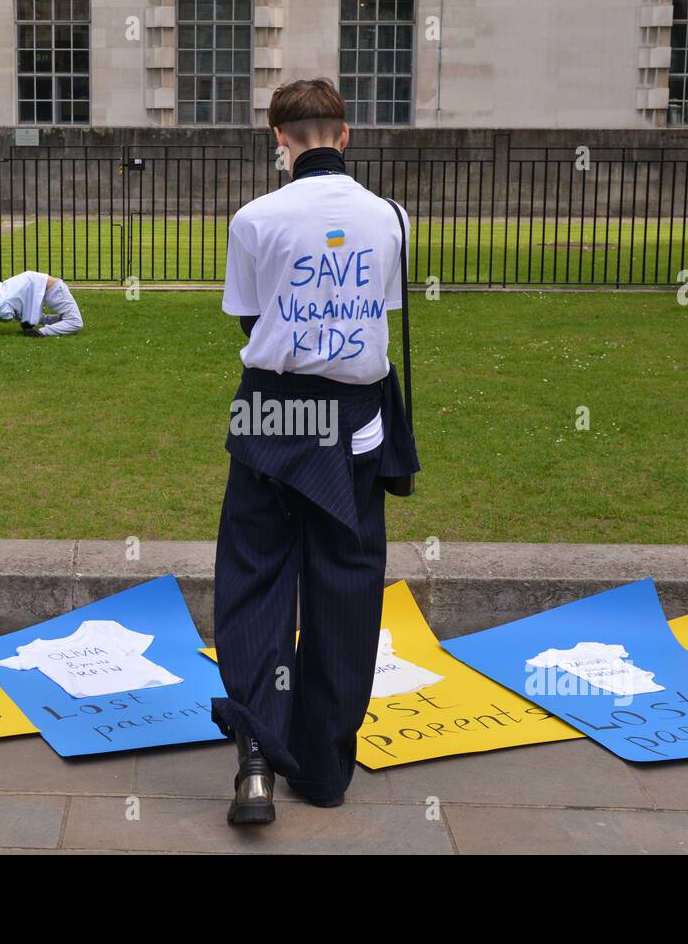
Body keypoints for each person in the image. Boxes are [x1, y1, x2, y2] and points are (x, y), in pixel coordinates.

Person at [211, 78, 419, 825]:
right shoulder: (389, 217)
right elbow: (375, 314)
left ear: (279, 138)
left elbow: (249, 321)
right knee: (346, 587)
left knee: (255, 579)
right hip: (356, 425)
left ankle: (258, 758)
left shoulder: (255, 217)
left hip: (273, 414)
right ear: (346, 133)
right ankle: (326, 767)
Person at [0, 270, 84, 338]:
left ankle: (42, 328)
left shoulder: (2, 291)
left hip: (50, 291)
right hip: (55, 289)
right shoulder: (2, 293)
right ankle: (41, 332)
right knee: (75, 322)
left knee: (58, 319)